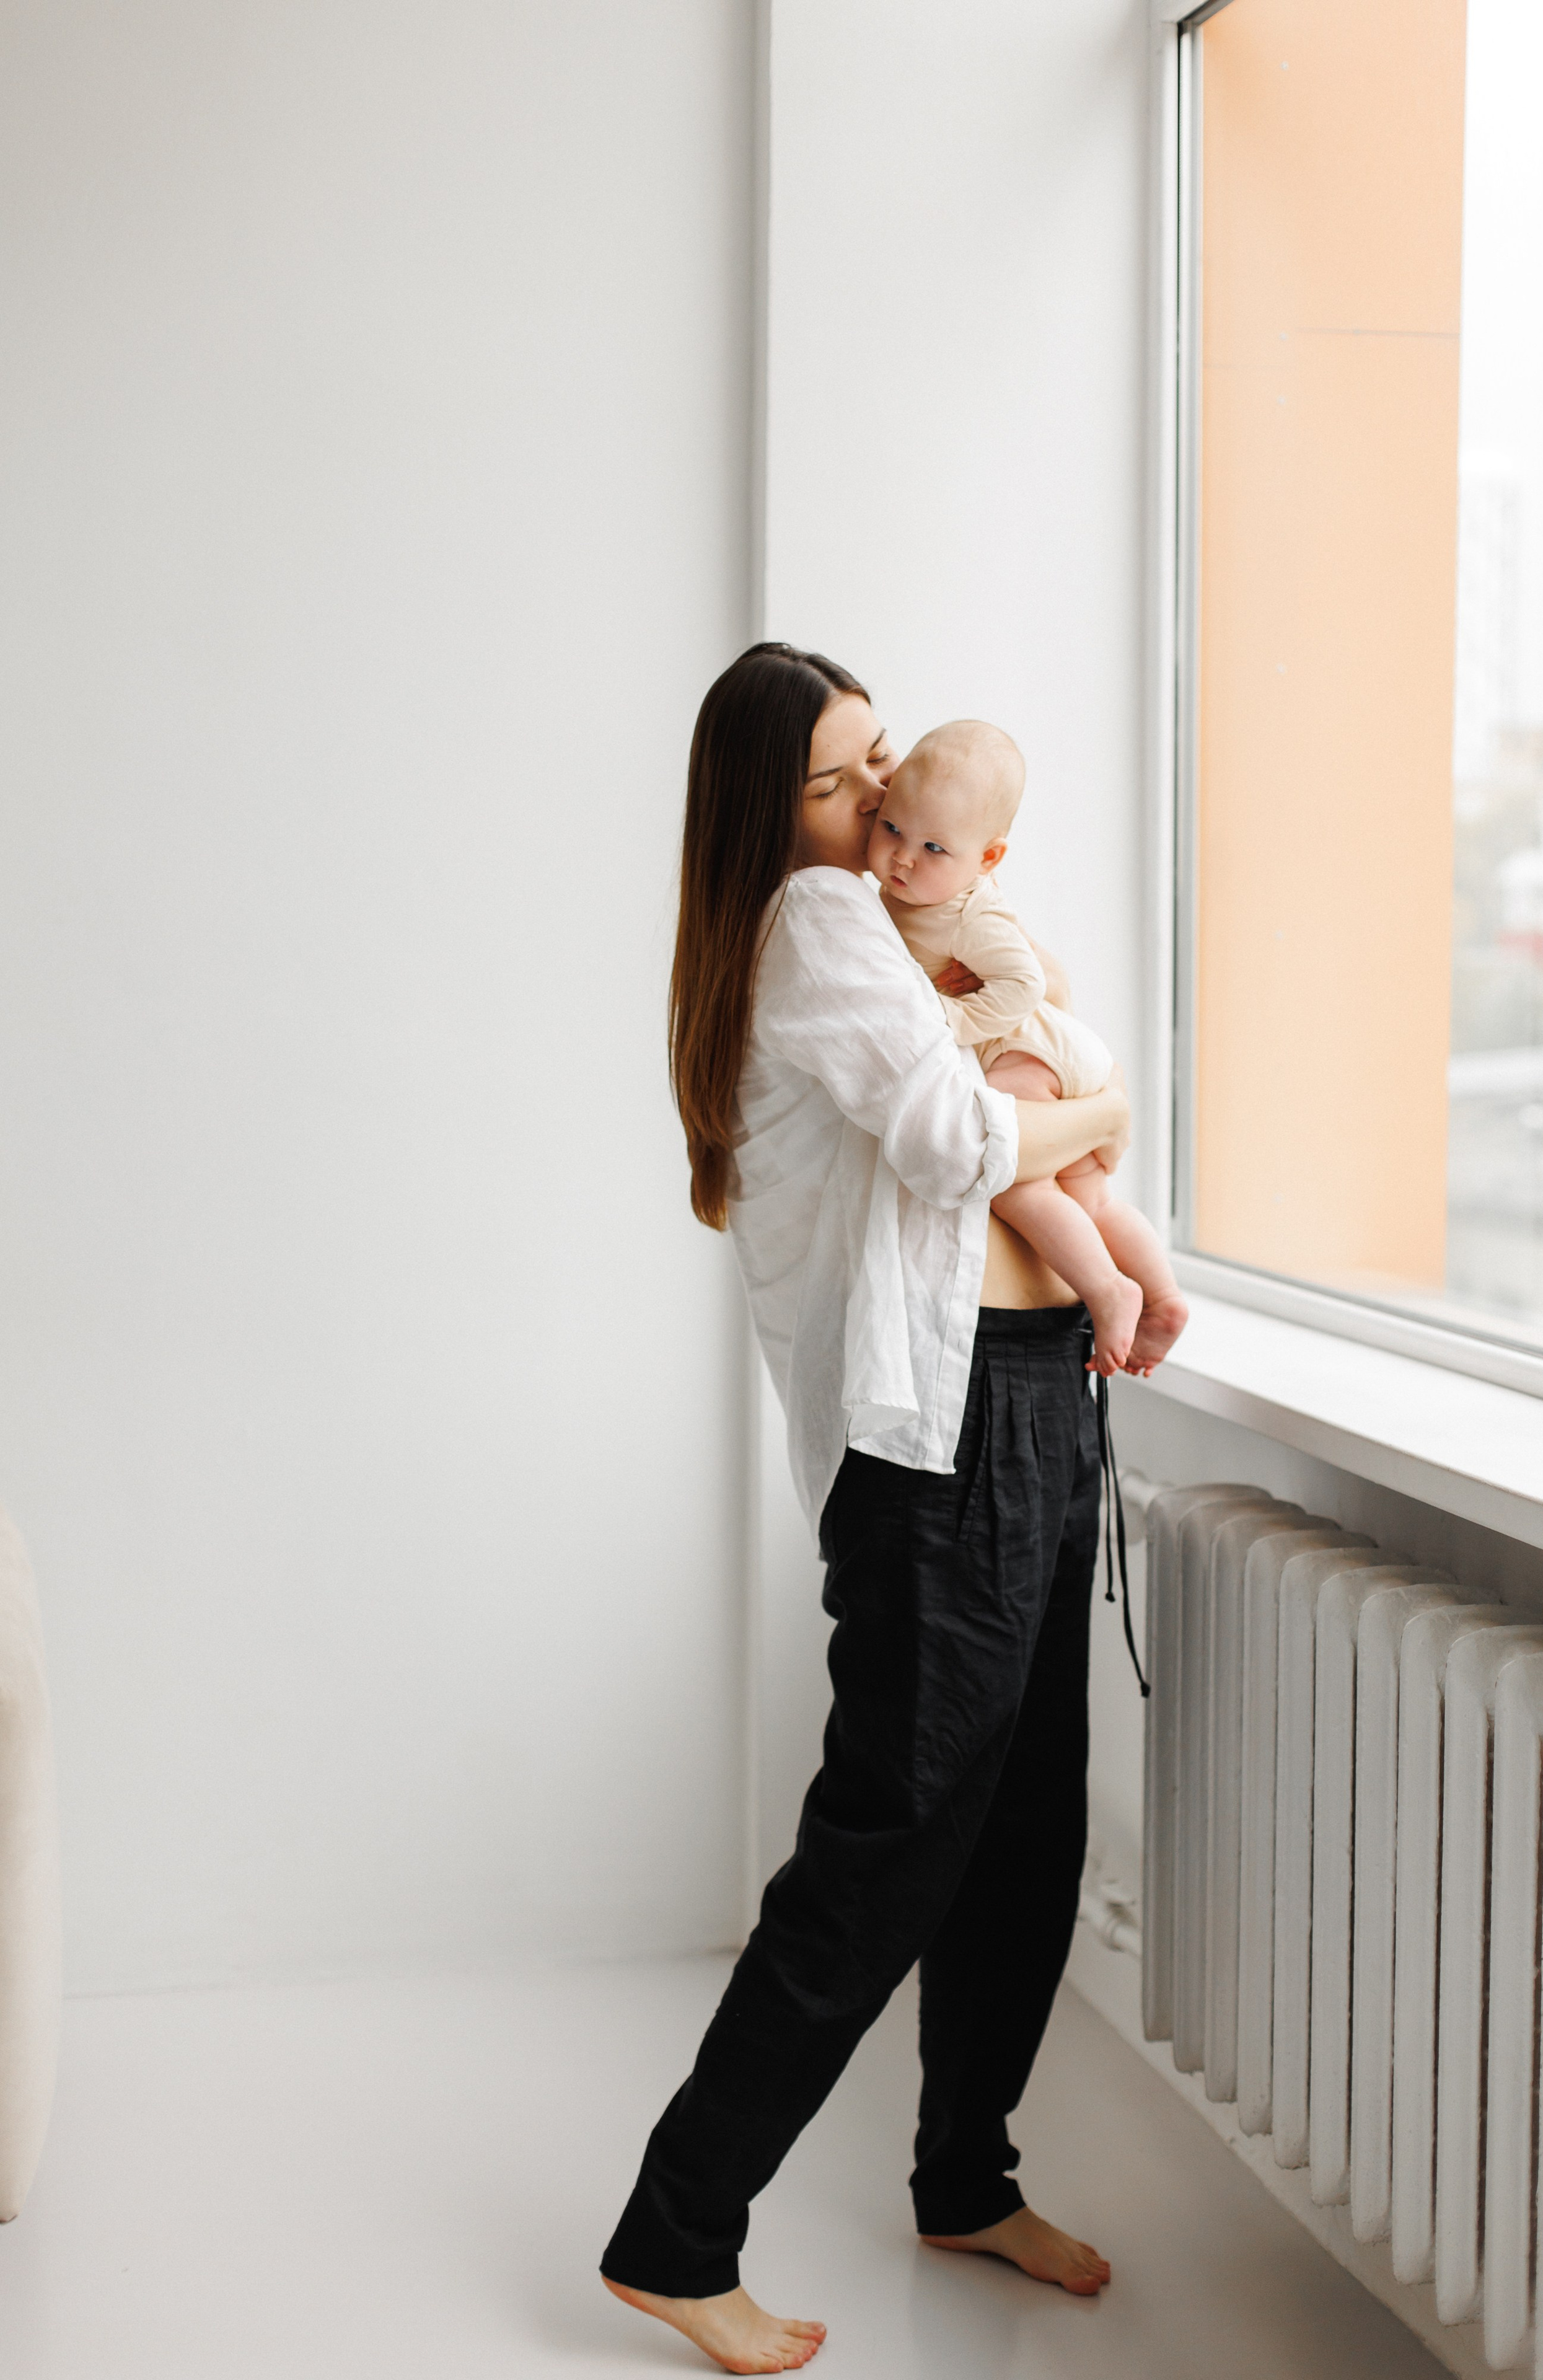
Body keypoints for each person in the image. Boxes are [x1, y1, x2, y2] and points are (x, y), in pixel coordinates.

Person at [600, 643, 1130, 2376]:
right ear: (779, 808)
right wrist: (1109, 1110)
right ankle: (678, 2239)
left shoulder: (894, 917)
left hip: (1041, 1408)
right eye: (842, 784)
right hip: (949, 1442)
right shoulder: (819, 920)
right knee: (888, 1851)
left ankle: (964, 2179)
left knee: (1026, 1828)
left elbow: (1004, 1041)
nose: (881, 806)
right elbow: (967, 1138)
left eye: (881, 763)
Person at [872, 717, 1188, 1378]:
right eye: (893, 828)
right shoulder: (914, 896)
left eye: (934, 848)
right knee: (1092, 1203)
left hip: (1032, 1051)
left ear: (987, 859)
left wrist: (954, 1020)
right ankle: (1162, 1298)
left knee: (1015, 1183)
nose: (903, 857)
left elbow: (1027, 985)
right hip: (1062, 1055)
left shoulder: (967, 911)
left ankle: (1110, 1289)